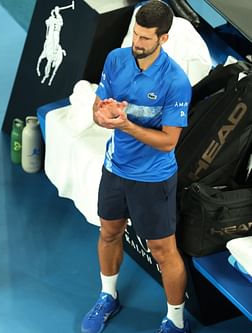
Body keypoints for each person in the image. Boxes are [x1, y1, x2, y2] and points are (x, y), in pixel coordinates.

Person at [80, 1, 191, 333]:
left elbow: (169, 141)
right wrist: (102, 115)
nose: (137, 43)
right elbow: (99, 108)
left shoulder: (175, 81)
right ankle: (107, 296)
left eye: (145, 38)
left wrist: (126, 125)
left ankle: (176, 320)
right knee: (109, 232)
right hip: (115, 169)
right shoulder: (116, 58)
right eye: (135, 34)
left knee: (162, 251)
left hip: (153, 179)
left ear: (164, 39)